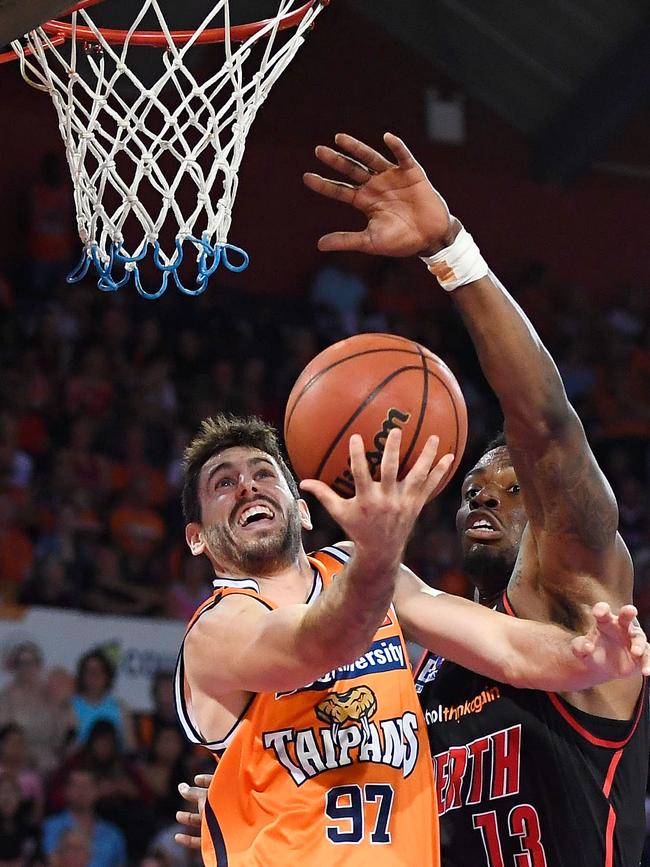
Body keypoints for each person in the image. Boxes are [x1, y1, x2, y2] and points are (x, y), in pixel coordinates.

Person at [301, 131, 650, 865]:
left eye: (511, 487)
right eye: (471, 488)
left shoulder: (578, 611)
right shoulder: (425, 661)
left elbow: (547, 428)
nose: (485, 496)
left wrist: (451, 253)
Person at [175, 411, 648, 866]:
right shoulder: (217, 630)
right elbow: (318, 643)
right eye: (223, 482)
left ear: (302, 511)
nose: (247, 486)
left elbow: (505, 647)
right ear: (197, 538)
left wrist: (588, 658)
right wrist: (380, 549)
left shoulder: (360, 571)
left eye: (263, 473)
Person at [42, 768, 127, 867]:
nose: (81, 791)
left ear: (97, 791)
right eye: (76, 786)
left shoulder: (113, 834)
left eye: (87, 786)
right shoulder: (49, 827)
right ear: (66, 791)